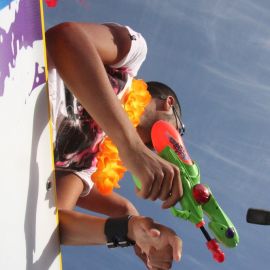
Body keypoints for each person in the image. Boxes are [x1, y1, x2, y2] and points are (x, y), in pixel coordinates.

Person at [46, 22, 184, 269]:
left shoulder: (88, 162)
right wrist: (131, 145)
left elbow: (55, 225)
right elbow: (63, 37)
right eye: (179, 130)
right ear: (168, 104)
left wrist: (129, 228)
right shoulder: (131, 58)